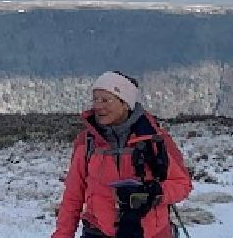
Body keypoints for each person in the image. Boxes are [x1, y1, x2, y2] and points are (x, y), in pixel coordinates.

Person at [53, 71, 194, 238]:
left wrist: (154, 193)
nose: (98, 106)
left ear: (125, 104)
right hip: (97, 232)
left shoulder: (155, 139)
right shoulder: (87, 142)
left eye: (106, 100)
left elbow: (182, 184)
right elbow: (72, 197)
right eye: (95, 99)